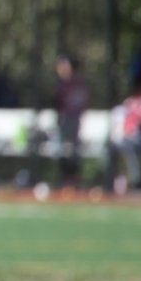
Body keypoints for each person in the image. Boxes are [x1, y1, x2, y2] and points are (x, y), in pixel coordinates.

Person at [51, 55, 91, 187]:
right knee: (60, 148)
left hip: (74, 119)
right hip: (63, 119)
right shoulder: (60, 84)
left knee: (73, 150)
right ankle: (63, 178)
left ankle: (73, 179)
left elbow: (81, 102)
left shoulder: (77, 83)